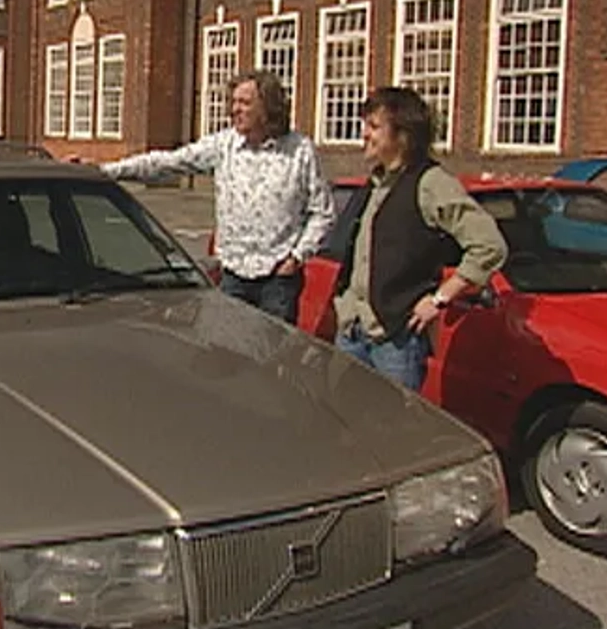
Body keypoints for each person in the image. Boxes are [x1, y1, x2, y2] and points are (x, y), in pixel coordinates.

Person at [85, 69, 332, 324]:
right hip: (233, 276)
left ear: (268, 107)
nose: (235, 109)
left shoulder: (300, 151)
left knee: (273, 358)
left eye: (245, 103)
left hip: (278, 281)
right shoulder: (223, 146)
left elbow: (323, 212)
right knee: (227, 354)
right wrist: (104, 170)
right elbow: (166, 162)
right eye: (233, 102)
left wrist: (296, 257)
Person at [329, 86, 506, 391]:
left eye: (374, 126)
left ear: (403, 136)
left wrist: (440, 298)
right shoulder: (375, 182)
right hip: (352, 332)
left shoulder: (431, 183)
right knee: (346, 427)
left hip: (396, 342)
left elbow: (489, 245)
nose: (364, 134)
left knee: (396, 432)